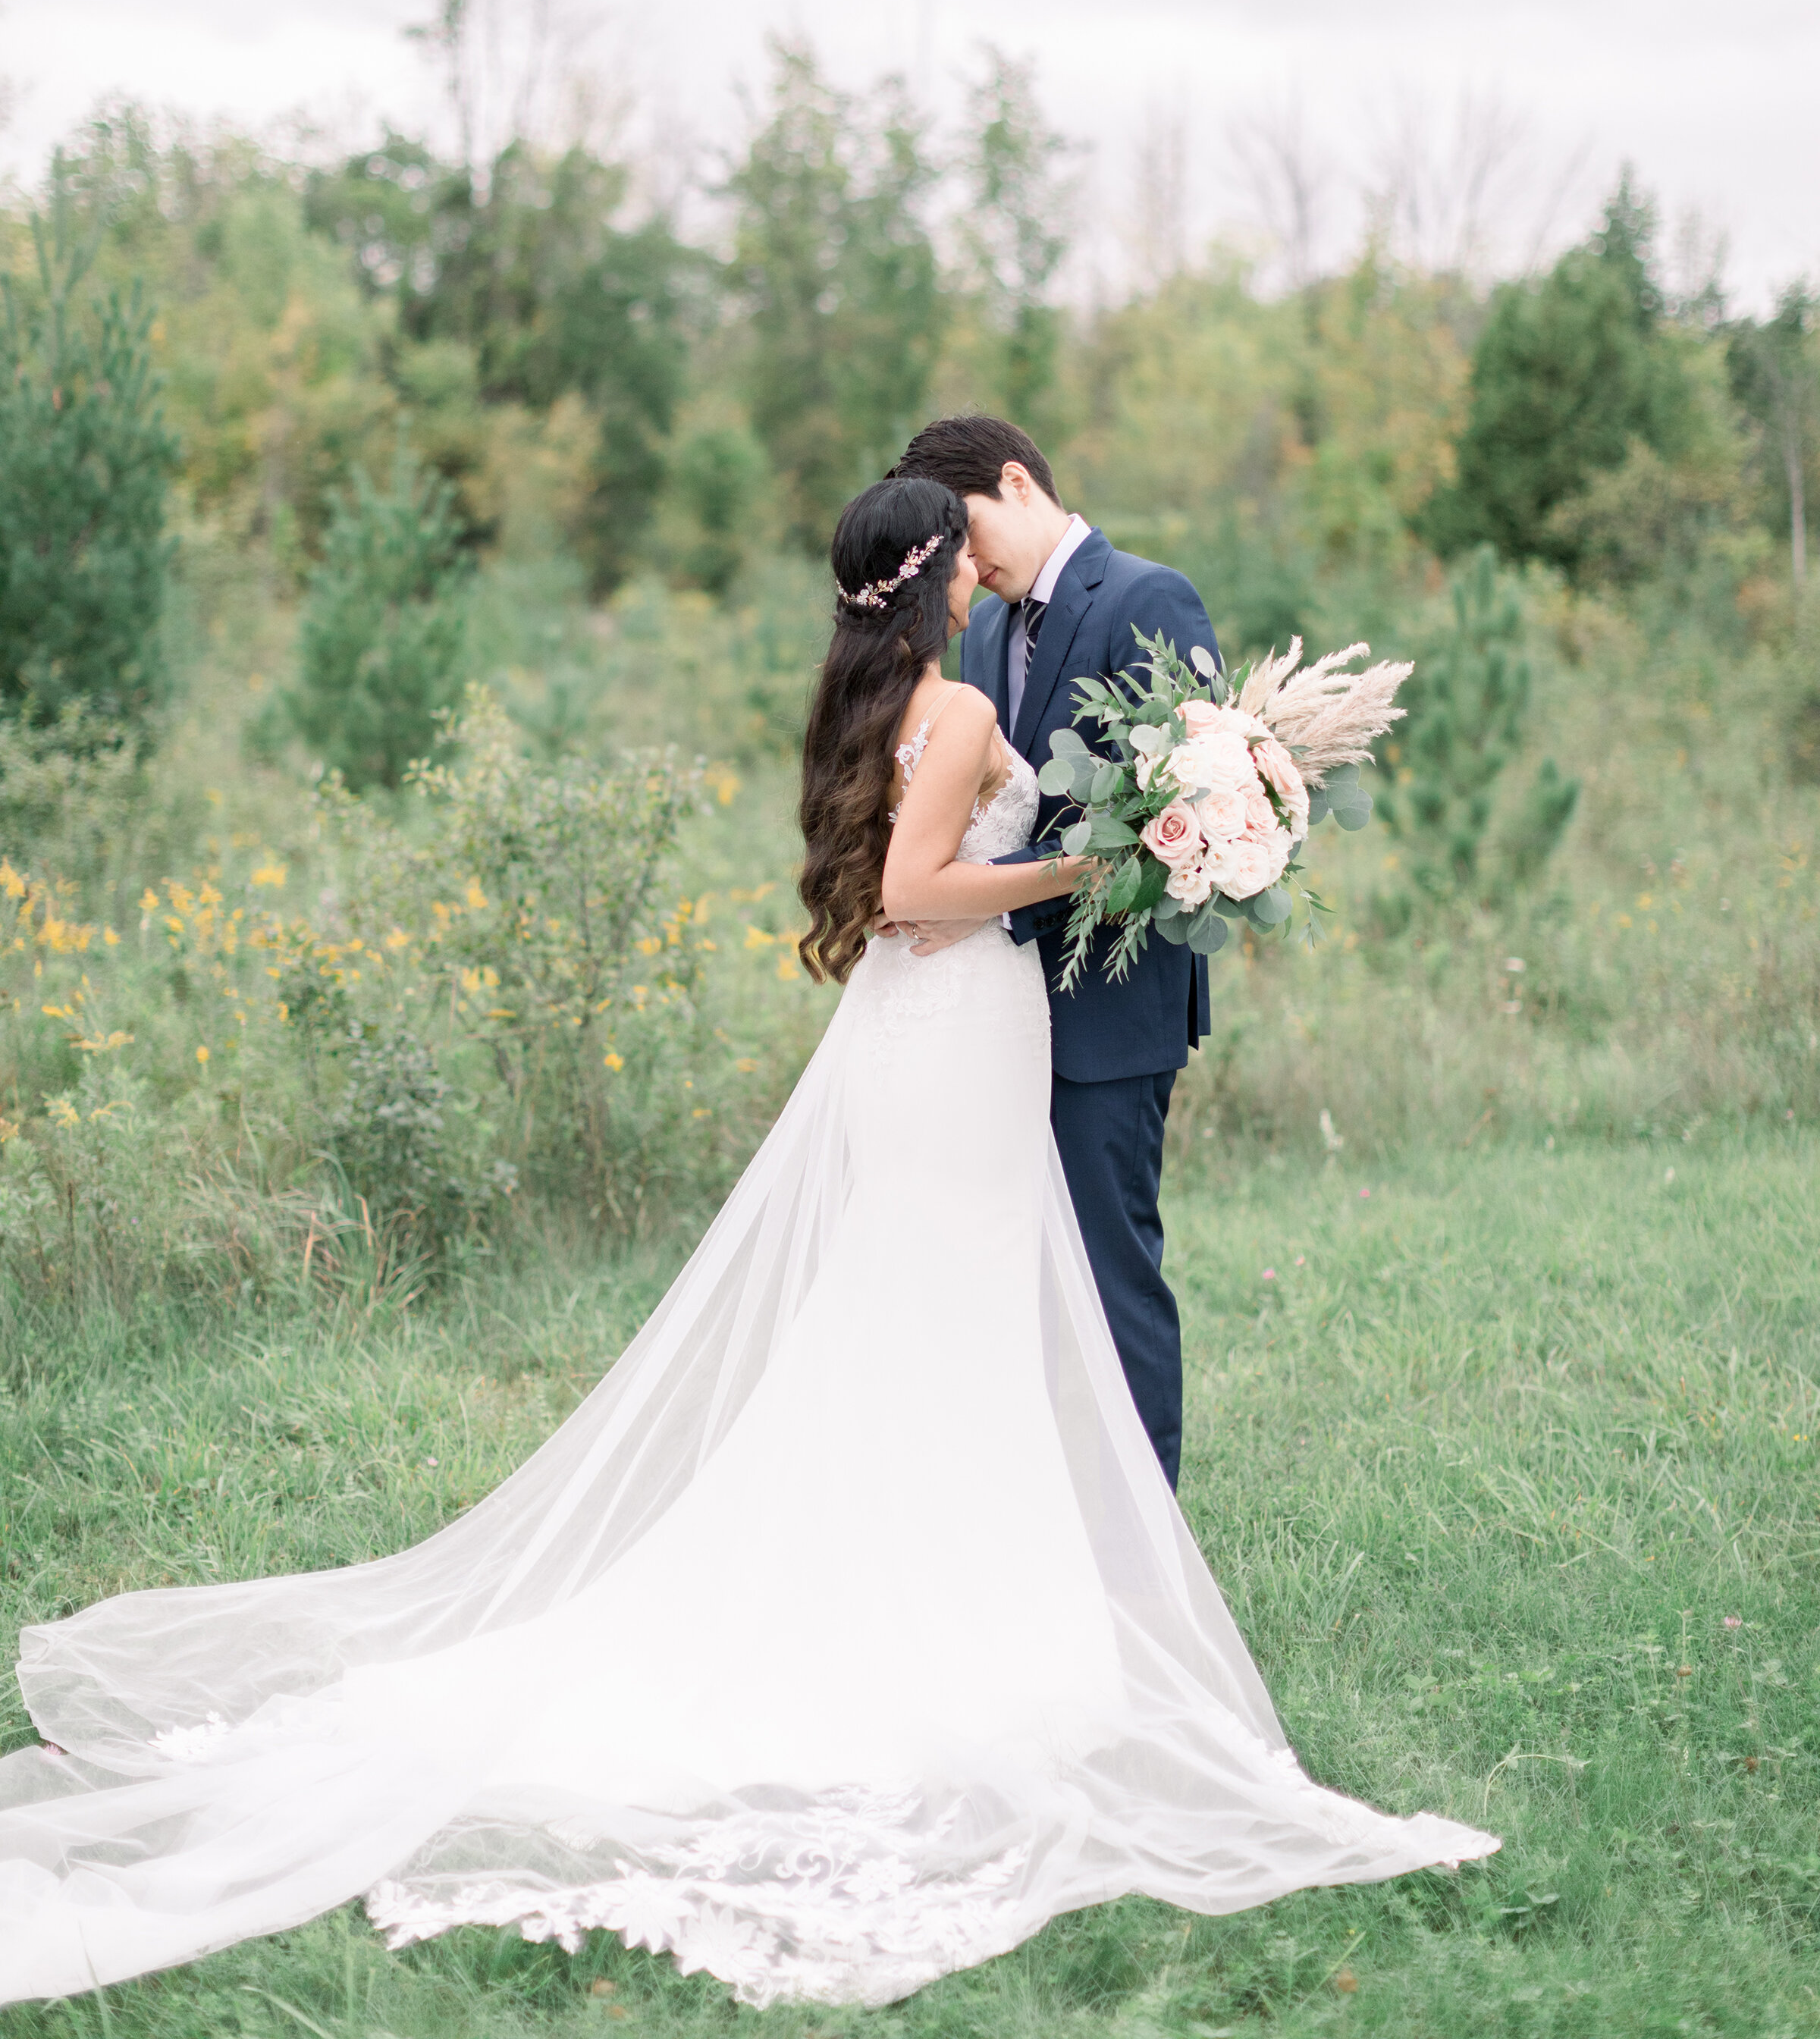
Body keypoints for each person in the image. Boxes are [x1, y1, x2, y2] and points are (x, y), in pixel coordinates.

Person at [0, 478, 1494, 2014]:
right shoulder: (963, 712)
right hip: (960, 1028)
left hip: (922, 1049)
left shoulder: (871, 707)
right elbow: (920, 897)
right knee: (949, 1313)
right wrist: (1093, 864)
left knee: (921, 1318)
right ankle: (956, 1630)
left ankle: (971, 1597)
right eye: (963, 556)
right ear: (937, 579)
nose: (984, 571)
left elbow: (886, 887)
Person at [891, 415, 1210, 1487]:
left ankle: (1146, 1544)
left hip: (1112, 1013)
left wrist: (980, 909)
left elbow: (1174, 825)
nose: (967, 567)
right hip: (1000, 1013)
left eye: (971, 533)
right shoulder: (983, 635)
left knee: (1112, 1281)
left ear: (1017, 482)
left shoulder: (1145, 599)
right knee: (1014, 1274)